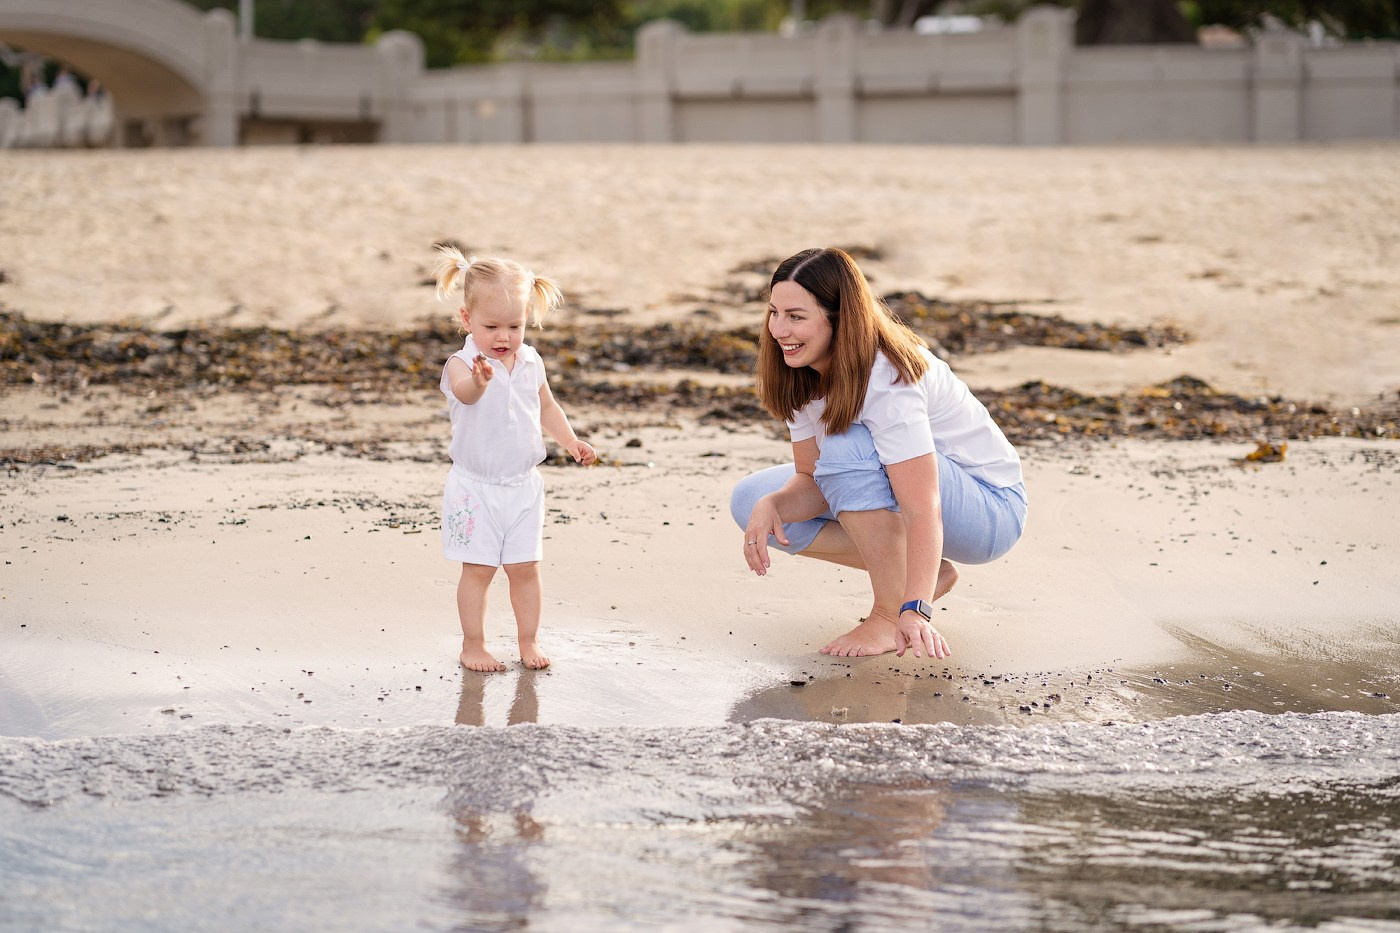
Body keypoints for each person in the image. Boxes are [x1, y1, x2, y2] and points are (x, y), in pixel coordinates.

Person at [730, 248, 1027, 659]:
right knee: (751, 501)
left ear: (840, 318)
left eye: (796, 317)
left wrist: (914, 610)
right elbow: (814, 481)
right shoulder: (800, 374)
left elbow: (924, 506)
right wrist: (774, 503)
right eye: (774, 312)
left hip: (989, 510)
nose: (779, 329)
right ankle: (923, 574)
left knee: (847, 442)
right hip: (909, 492)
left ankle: (889, 616)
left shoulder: (885, 376)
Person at [434, 244, 597, 673]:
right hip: (475, 487)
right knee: (479, 571)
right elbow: (466, 394)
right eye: (492, 327)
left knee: (525, 568)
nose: (504, 337)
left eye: (515, 325)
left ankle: (528, 641)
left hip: (524, 486)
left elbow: (546, 406)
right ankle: (473, 645)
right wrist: (480, 381)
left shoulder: (529, 360)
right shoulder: (460, 364)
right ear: (467, 320)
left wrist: (571, 441)